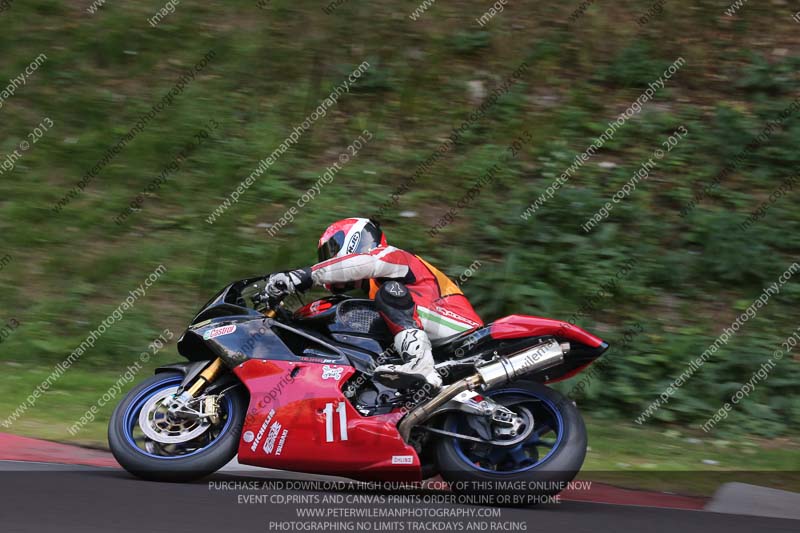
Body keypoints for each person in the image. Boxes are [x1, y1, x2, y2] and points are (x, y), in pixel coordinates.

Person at [263, 217, 483, 390]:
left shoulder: (392, 257)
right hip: (439, 332)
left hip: (455, 321)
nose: (329, 260)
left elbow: (363, 264)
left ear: (355, 239)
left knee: (390, 294)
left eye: (331, 251)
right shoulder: (375, 287)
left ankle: (420, 364)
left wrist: (302, 276)